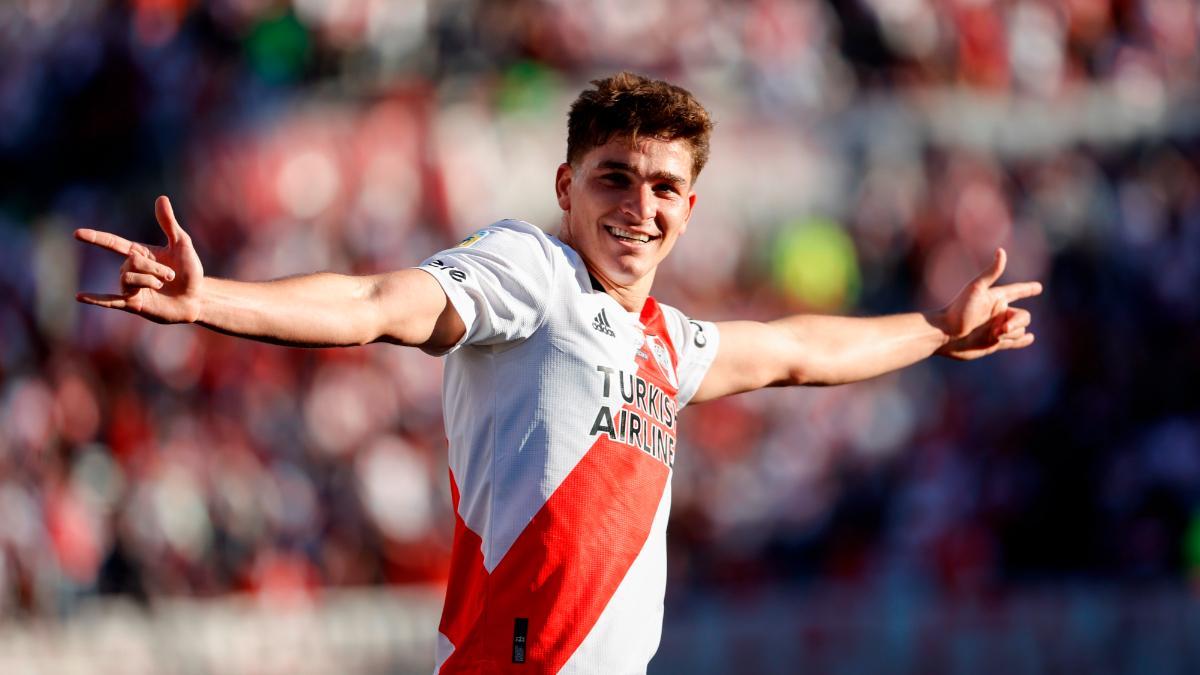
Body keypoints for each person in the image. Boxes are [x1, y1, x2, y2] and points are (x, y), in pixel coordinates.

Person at [75, 72, 1041, 673]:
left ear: (690, 211)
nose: (638, 206)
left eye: (663, 187)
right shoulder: (532, 271)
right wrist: (212, 299)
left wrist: (934, 329)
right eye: (614, 176)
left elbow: (798, 351)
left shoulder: (669, 342)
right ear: (566, 187)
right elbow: (377, 303)